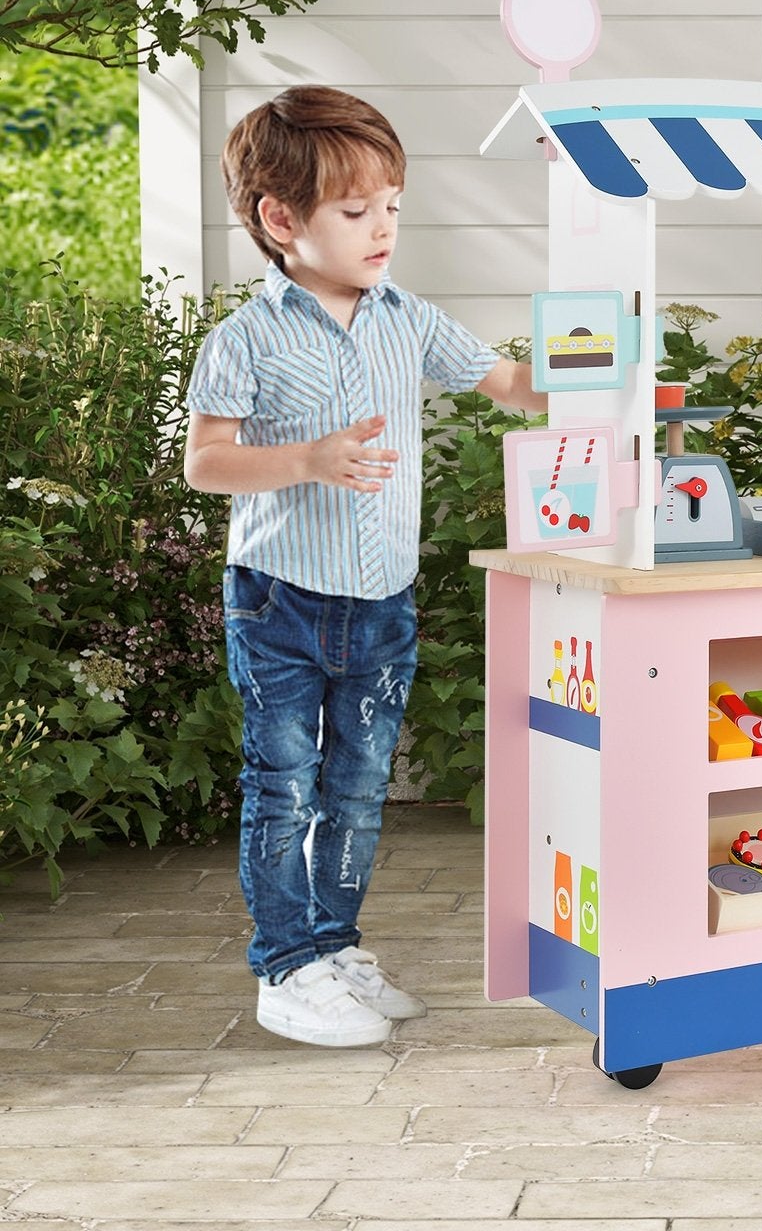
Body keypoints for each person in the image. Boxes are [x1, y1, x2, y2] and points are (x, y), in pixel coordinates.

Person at [184, 86, 546, 1048]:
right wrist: (308, 459)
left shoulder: (406, 318)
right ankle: (284, 965)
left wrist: (603, 371)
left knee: (357, 784)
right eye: (356, 212)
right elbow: (204, 462)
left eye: (392, 205)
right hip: (281, 603)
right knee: (285, 785)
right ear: (280, 219)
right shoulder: (246, 339)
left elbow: (509, 381)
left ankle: (336, 947)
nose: (383, 227)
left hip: (382, 603)